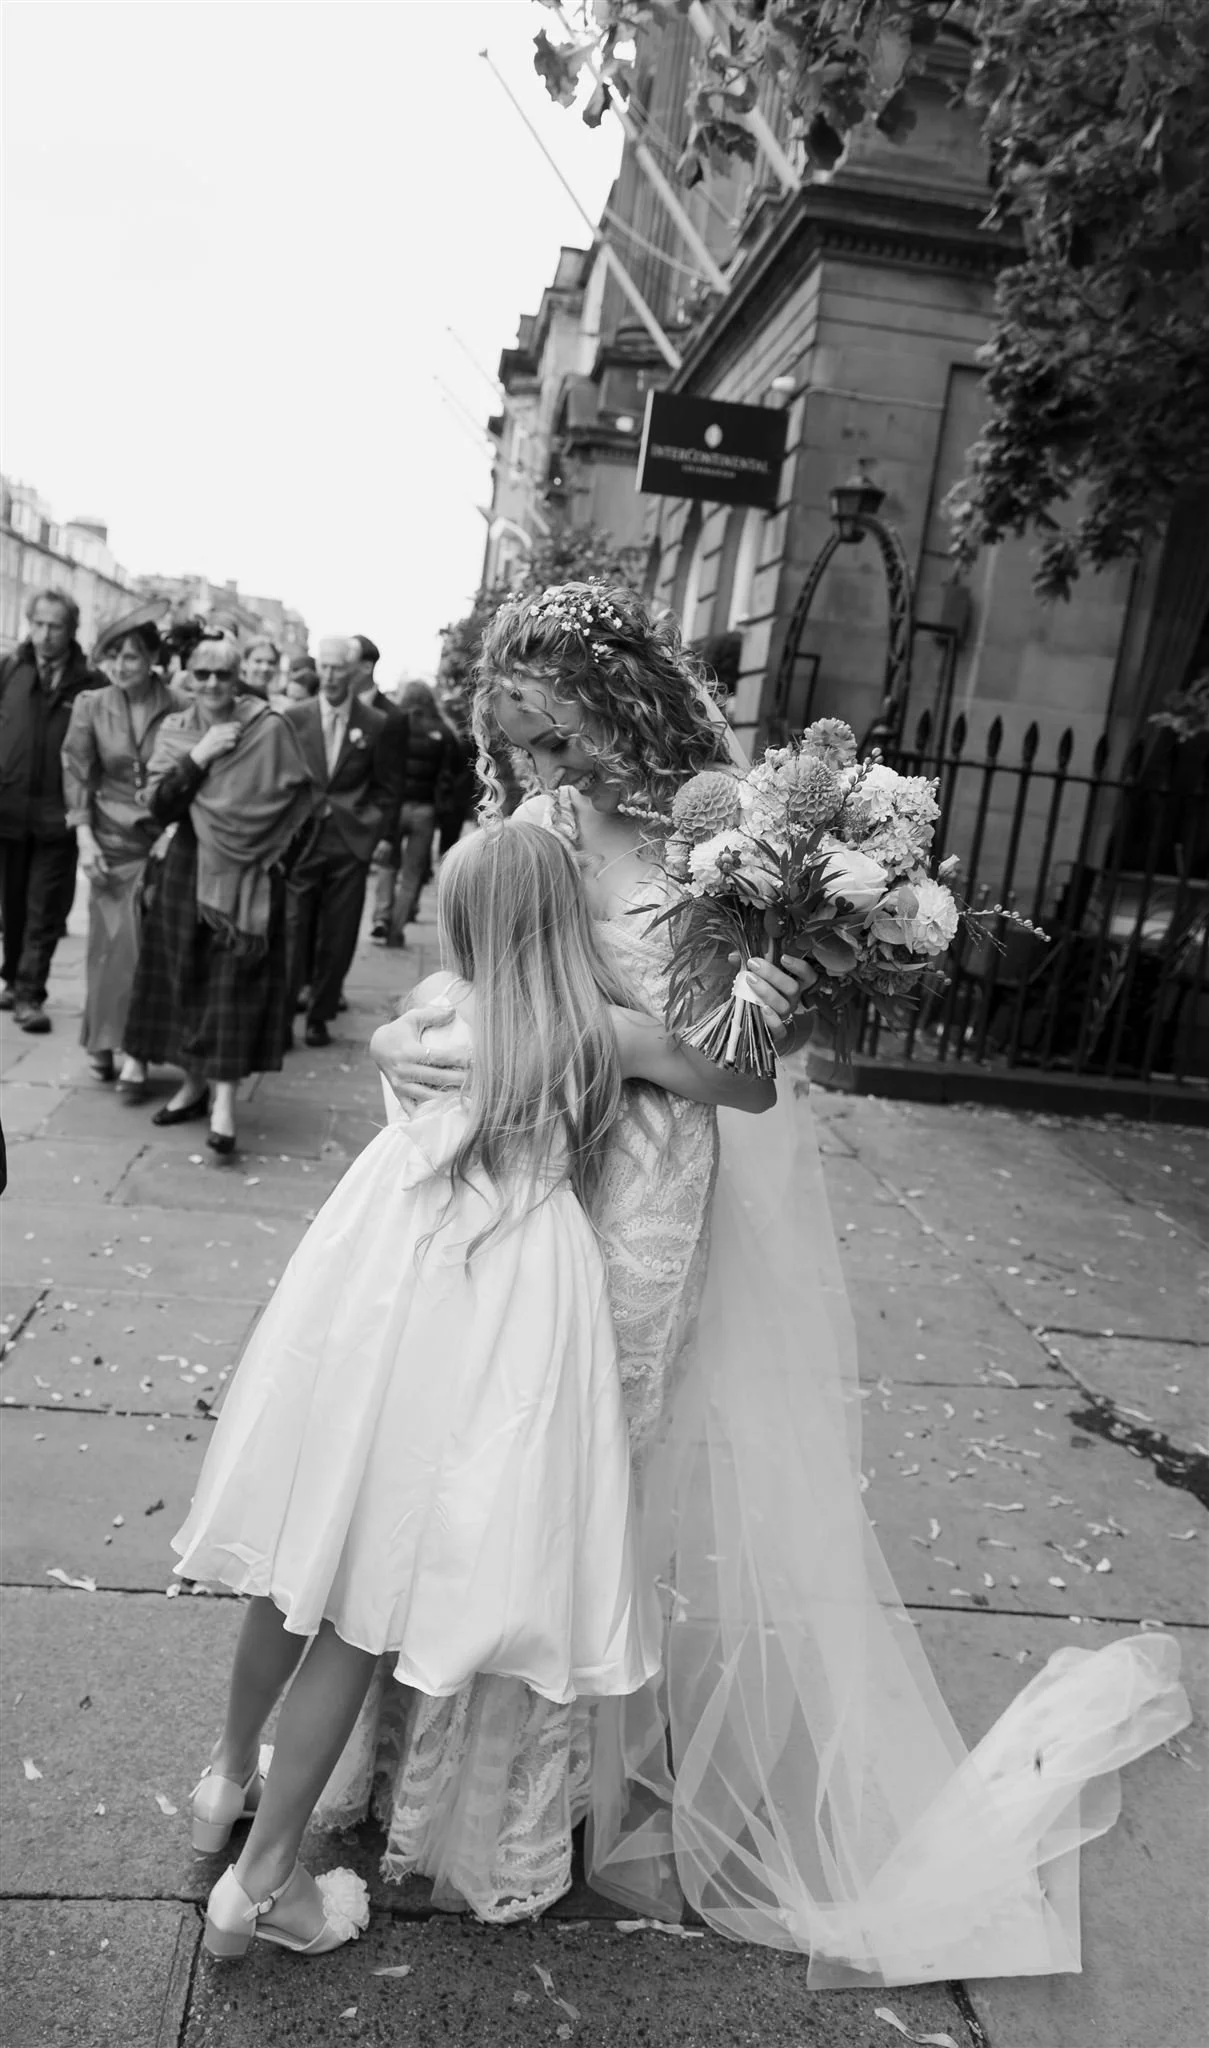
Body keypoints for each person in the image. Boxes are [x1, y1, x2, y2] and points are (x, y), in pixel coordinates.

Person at [349, 583, 1188, 1982]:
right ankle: (415, 1788)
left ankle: (503, 1822)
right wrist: (412, 1038)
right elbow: (475, 983)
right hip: (531, 1171)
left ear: (616, 702)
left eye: (554, 734)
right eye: (521, 743)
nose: (540, 766)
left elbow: (742, 1080)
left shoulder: (723, 837)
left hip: (643, 1192)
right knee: (480, 1465)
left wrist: (612, 1031)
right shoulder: (537, 826)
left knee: (579, 1485)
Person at [173, 823, 771, 1958]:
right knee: (362, 1605)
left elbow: (397, 1038)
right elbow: (741, 1086)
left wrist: (384, 1034)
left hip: (370, 1287)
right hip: (496, 1303)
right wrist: (765, 987)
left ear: (461, 914)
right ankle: (261, 1884)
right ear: (564, 915)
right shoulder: (594, 1028)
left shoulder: (432, 1008)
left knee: (301, 1563)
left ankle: (223, 1777)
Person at [122, 635, 317, 1155]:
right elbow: (159, 806)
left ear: (237, 679)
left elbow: (302, 803)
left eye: (222, 675)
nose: (211, 684)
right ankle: (193, 1087)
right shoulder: (177, 729)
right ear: (188, 678)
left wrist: (276, 859)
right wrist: (200, 755)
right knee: (187, 980)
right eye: (202, 674)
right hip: (188, 867)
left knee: (232, 989)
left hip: (248, 877)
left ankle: (224, 1106)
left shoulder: (267, 726)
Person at [60, 601, 178, 1094]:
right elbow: (76, 771)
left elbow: (194, 773)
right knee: (110, 950)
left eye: (130, 656)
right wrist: (84, 837)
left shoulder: (178, 704)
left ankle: (139, 1051)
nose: (120, 665)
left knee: (152, 952)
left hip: (162, 843)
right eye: (113, 656)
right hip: (109, 841)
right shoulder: (91, 704)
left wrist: (174, 831)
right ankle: (103, 1041)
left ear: (151, 658)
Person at [282, 636, 400, 1047]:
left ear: (353, 671)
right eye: (325, 667)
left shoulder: (376, 722)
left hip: (350, 842)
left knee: (339, 932)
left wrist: (377, 835)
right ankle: (283, 1015)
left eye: (338, 668)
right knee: (293, 929)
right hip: (302, 839)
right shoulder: (294, 717)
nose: (330, 676)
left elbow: (388, 787)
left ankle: (320, 1013)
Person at [0, 588, 105, 1032]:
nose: (44, 635)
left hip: (59, 815)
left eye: (55, 626)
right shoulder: (10, 669)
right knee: (11, 907)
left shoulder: (91, 683)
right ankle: (12, 980)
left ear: (71, 630)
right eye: (38, 624)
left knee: (45, 910)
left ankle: (30, 994)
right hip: (9, 810)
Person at [369, 679, 453, 946]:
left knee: (388, 864)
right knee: (412, 873)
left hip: (395, 806)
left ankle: (381, 916)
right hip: (424, 810)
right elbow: (449, 775)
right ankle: (397, 929)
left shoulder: (395, 725)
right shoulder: (443, 731)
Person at [433, 683, 478, 861]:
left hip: (451, 794)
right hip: (455, 794)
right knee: (449, 838)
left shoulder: (452, 736)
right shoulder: (461, 737)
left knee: (448, 839)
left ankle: (444, 864)